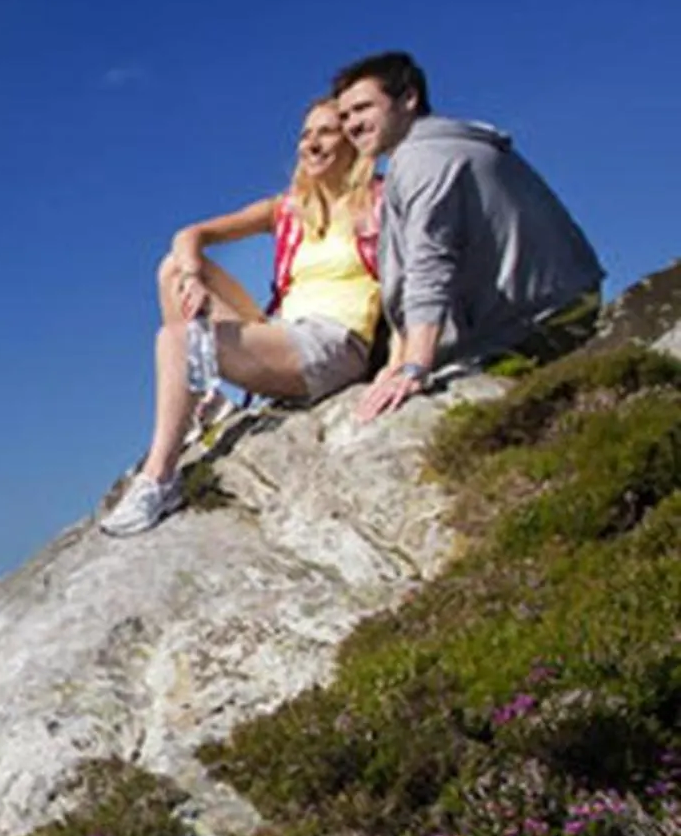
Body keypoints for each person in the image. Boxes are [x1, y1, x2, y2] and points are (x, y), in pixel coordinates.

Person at [99, 98, 384, 536]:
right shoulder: (287, 209)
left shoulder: (379, 201)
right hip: (283, 333)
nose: (311, 142)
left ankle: (159, 479)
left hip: (334, 344)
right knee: (173, 267)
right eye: (305, 134)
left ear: (351, 142)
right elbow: (191, 234)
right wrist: (194, 277)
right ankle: (206, 406)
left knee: (176, 341)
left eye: (325, 132)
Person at [330, 50, 603, 424]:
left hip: (538, 325)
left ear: (408, 99)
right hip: (563, 303)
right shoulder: (449, 146)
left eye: (363, 108)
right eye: (344, 116)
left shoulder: (421, 159)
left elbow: (430, 263)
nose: (352, 125)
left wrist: (413, 368)